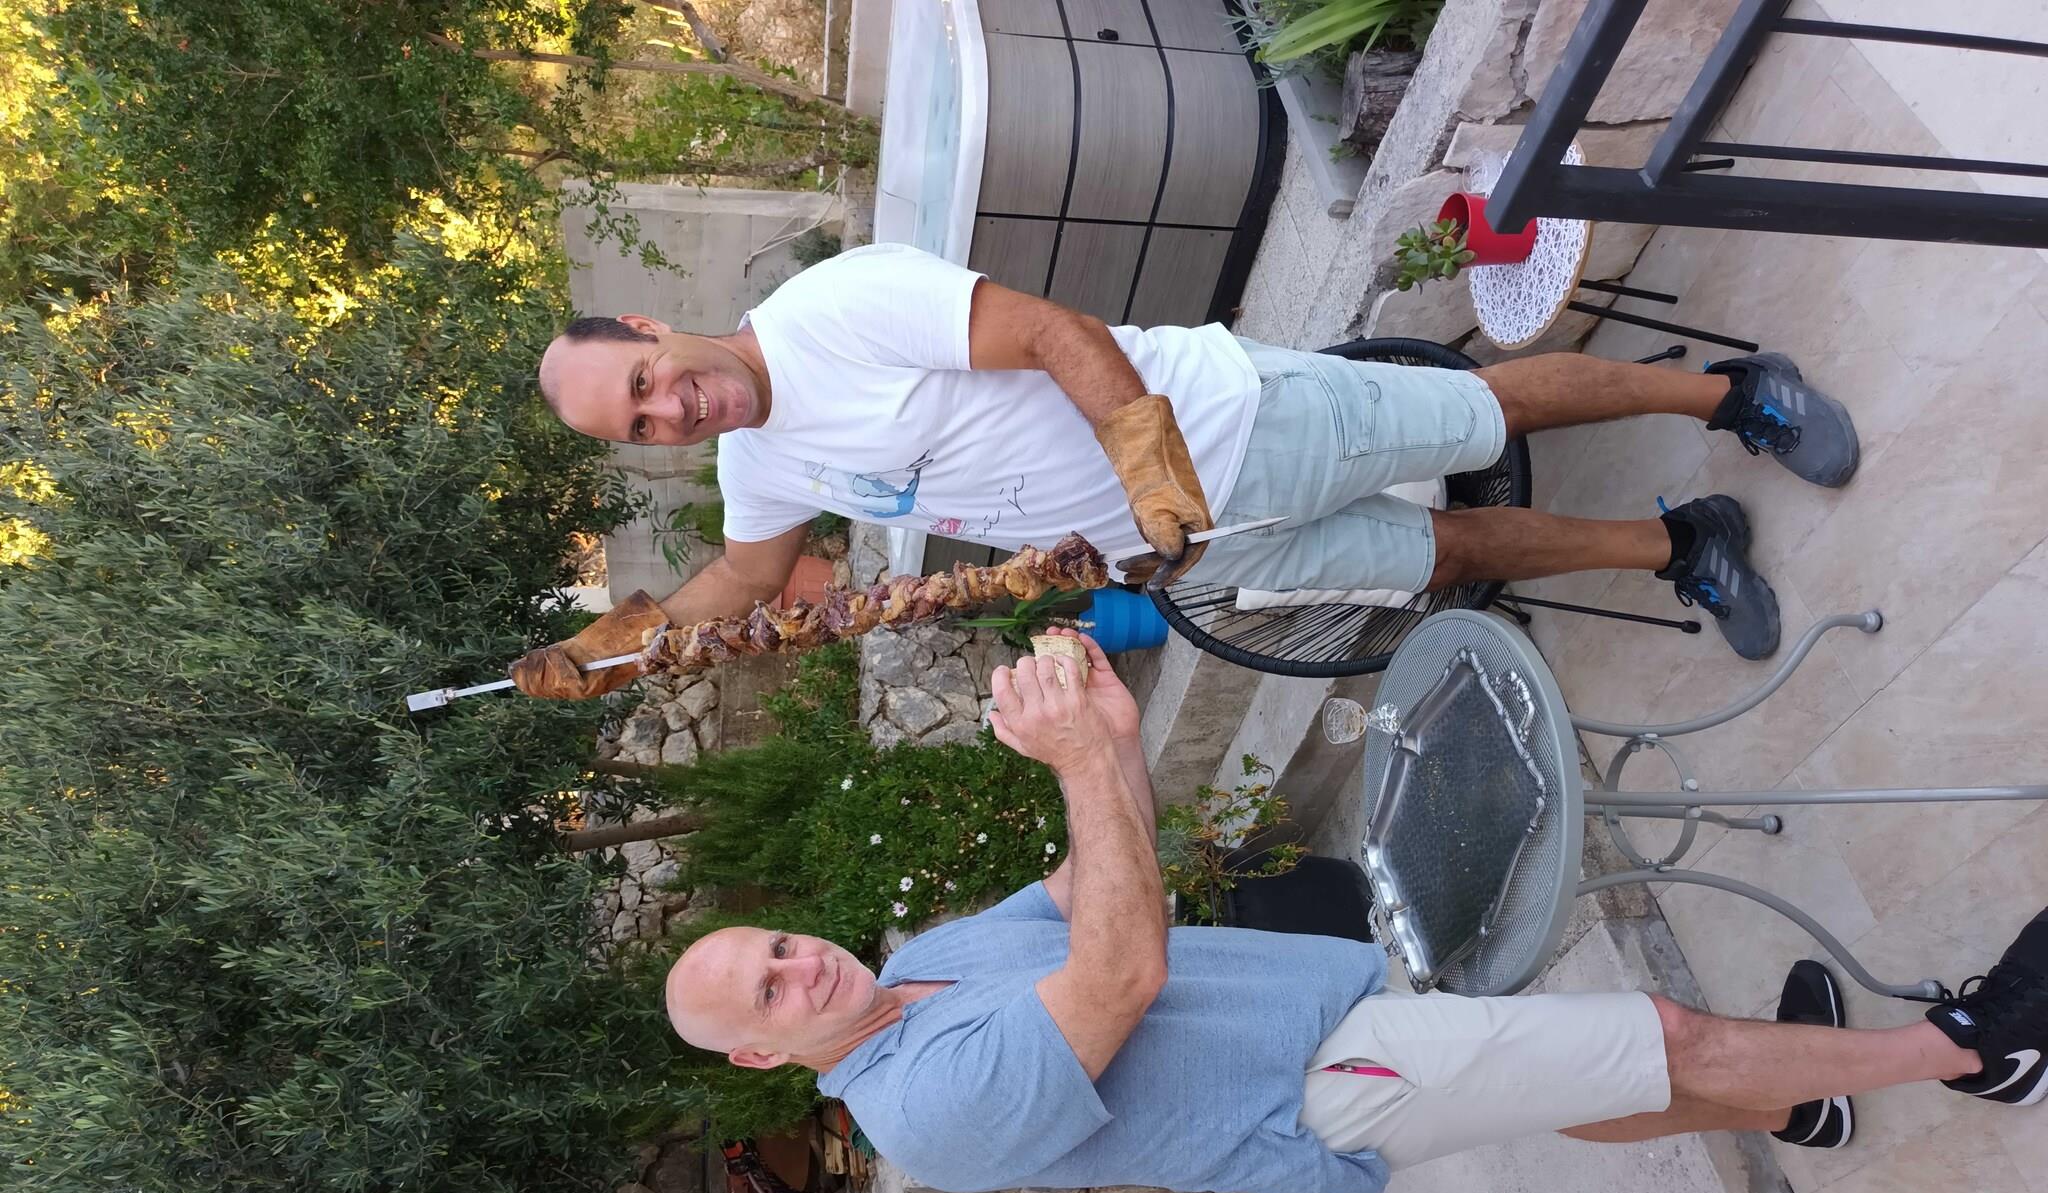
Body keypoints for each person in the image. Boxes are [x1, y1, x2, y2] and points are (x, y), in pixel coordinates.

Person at [661, 631, 2048, 1193]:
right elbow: (1120, 973)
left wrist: (1115, 744)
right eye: (769, 992)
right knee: (1665, 1032)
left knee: (1577, 1087)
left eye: (777, 944)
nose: (801, 965)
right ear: (764, 1056)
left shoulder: (922, 967)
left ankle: (1794, 1103)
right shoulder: (925, 1112)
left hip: (1328, 1008)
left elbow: (1092, 891)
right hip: (1320, 1086)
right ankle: (1976, 1045)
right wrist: (1079, 763)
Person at [514, 244, 1861, 699]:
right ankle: (1680, 543)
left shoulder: (829, 310)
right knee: (1438, 556)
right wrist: (616, 643)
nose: (671, 410)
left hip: (1228, 428)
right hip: (1193, 548)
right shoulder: (758, 456)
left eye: (647, 381)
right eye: (642, 429)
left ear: (647, 326)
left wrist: (1153, 471)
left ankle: (1733, 392)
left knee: (1481, 411)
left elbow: (1055, 333)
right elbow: (746, 577)